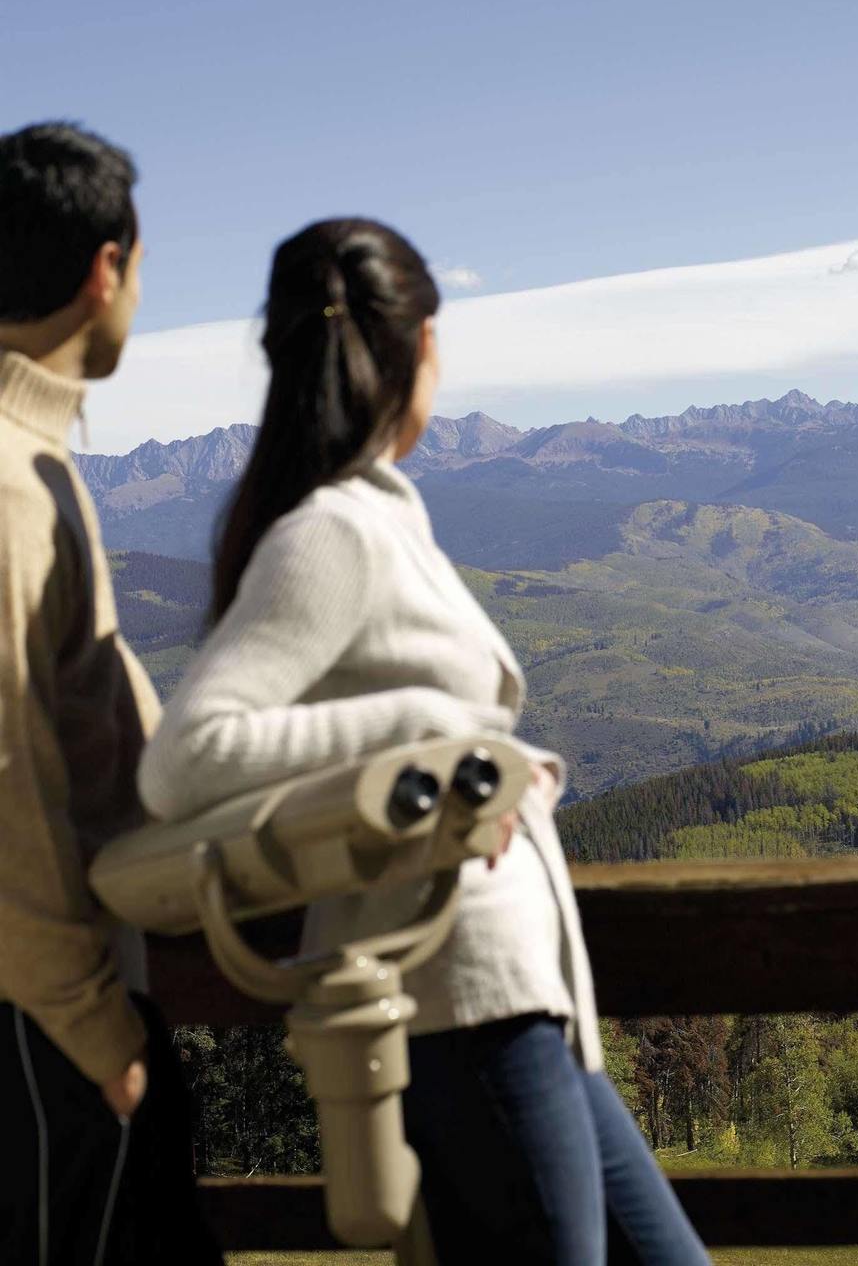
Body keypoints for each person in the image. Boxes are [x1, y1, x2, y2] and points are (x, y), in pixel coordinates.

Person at [139, 216, 711, 1266]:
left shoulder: (372, 516)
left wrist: (478, 761)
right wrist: (423, 731)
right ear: (416, 349)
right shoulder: (333, 534)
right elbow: (188, 757)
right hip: (461, 1000)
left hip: (522, 1002)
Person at [0, 121, 223, 1266]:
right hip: (41, 1026)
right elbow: (7, 788)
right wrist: (96, 1033)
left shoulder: (39, 457)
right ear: (107, 268)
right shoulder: (8, 483)